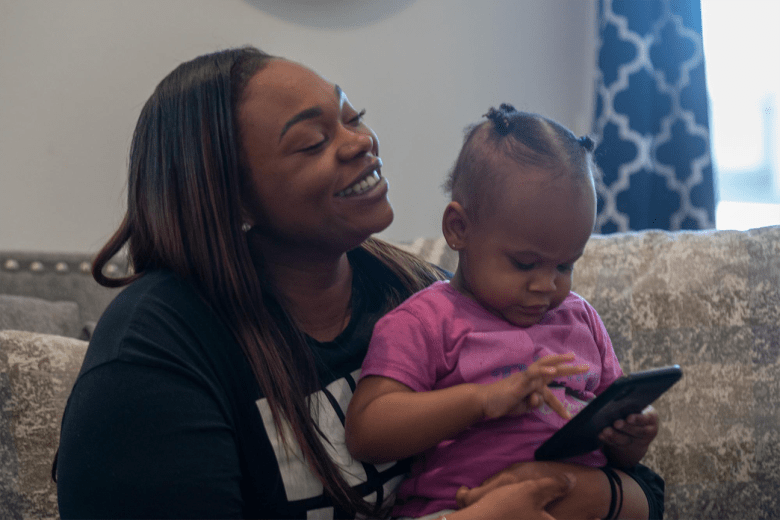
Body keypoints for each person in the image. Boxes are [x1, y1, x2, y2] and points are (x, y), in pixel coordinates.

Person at [54, 46, 660, 519]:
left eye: (353, 118)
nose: (361, 143)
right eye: (314, 141)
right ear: (231, 199)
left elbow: (641, 492)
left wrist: (577, 489)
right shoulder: (156, 349)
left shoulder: (416, 289)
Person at [345, 105, 664, 520]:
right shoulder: (424, 322)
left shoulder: (579, 319)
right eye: (525, 264)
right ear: (459, 229)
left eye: (565, 265)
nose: (547, 286)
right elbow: (367, 430)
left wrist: (631, 436)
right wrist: (482, 400)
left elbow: (615, 451)